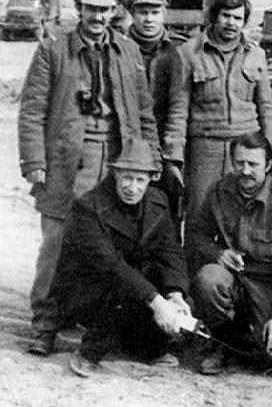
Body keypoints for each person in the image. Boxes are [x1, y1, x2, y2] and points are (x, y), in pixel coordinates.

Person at [18, 0, 161, 356]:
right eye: (91, 8)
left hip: (118, 159)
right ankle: (46, 324)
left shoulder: (128, 51)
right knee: (57, 243)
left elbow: (144, 112)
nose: (98, 16)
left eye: (105, 9)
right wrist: (35, 162)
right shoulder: (53, 49)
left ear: (115, 12)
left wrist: (151, 160)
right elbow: (32, 111)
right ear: (78, 9)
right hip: (67, 160)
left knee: (109, 245)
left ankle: (101, 325)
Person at [53, 138, 191, 377]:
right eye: (127, 177)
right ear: (115, 174)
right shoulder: (89, 207)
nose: (132, 187)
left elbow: (170, 252)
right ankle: (89, 353)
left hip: (131, 287)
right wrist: (158, 303)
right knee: (129, 290)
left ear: (151, 179)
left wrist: (175, 295)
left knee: (174, 297)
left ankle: (148, 348)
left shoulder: (157, 202)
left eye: (140, 180)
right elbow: (111, 265)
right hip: (87, 290)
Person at [185, 132, 272, 374]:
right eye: (240, 163)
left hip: (268, 284)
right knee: (209, 280)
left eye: (253, 164)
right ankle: (223, 342)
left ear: (268, 165)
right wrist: (218, 254)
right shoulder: (220, 191)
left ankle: (257, 334)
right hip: (233, 279)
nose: (245, 171)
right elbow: (196, 234)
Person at [180, 0, 272, 220]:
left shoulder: (256, 55)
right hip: (205, 147)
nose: (231, 23)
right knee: (201, 211)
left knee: (245, 211)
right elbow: (179, 111)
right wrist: (175, 157)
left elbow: (266, 109)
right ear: (214, 17)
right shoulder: (188, 53)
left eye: (238, 18)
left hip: (247, 145)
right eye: (226, 16)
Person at [126, 0, 187, 228]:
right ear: (132, 14)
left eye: (155, 12)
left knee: (166, 215)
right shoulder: (118, 47)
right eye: (143, 12)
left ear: (164, 14)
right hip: (128, 143)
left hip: (167, 145)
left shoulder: (179, 50)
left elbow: (180, 105)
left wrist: (172, 155)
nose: (149, 19)